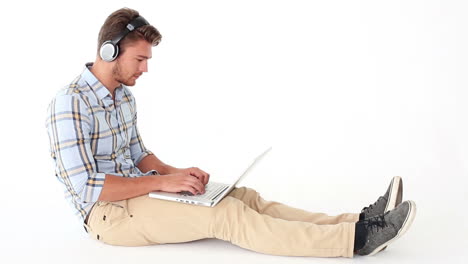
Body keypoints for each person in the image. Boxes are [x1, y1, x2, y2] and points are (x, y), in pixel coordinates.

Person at [45, 7, 416, 258]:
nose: (145, 69)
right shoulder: (70, 103)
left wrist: (178, 174)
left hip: (140, 193)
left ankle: (357, 221)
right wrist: (160, 184)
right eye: (139, 59)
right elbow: (88, 187)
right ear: (110, 51)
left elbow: (140, 155)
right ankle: (357, 241)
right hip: (110, 216)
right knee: (225, 215)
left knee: (243, 197)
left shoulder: (123, 97)